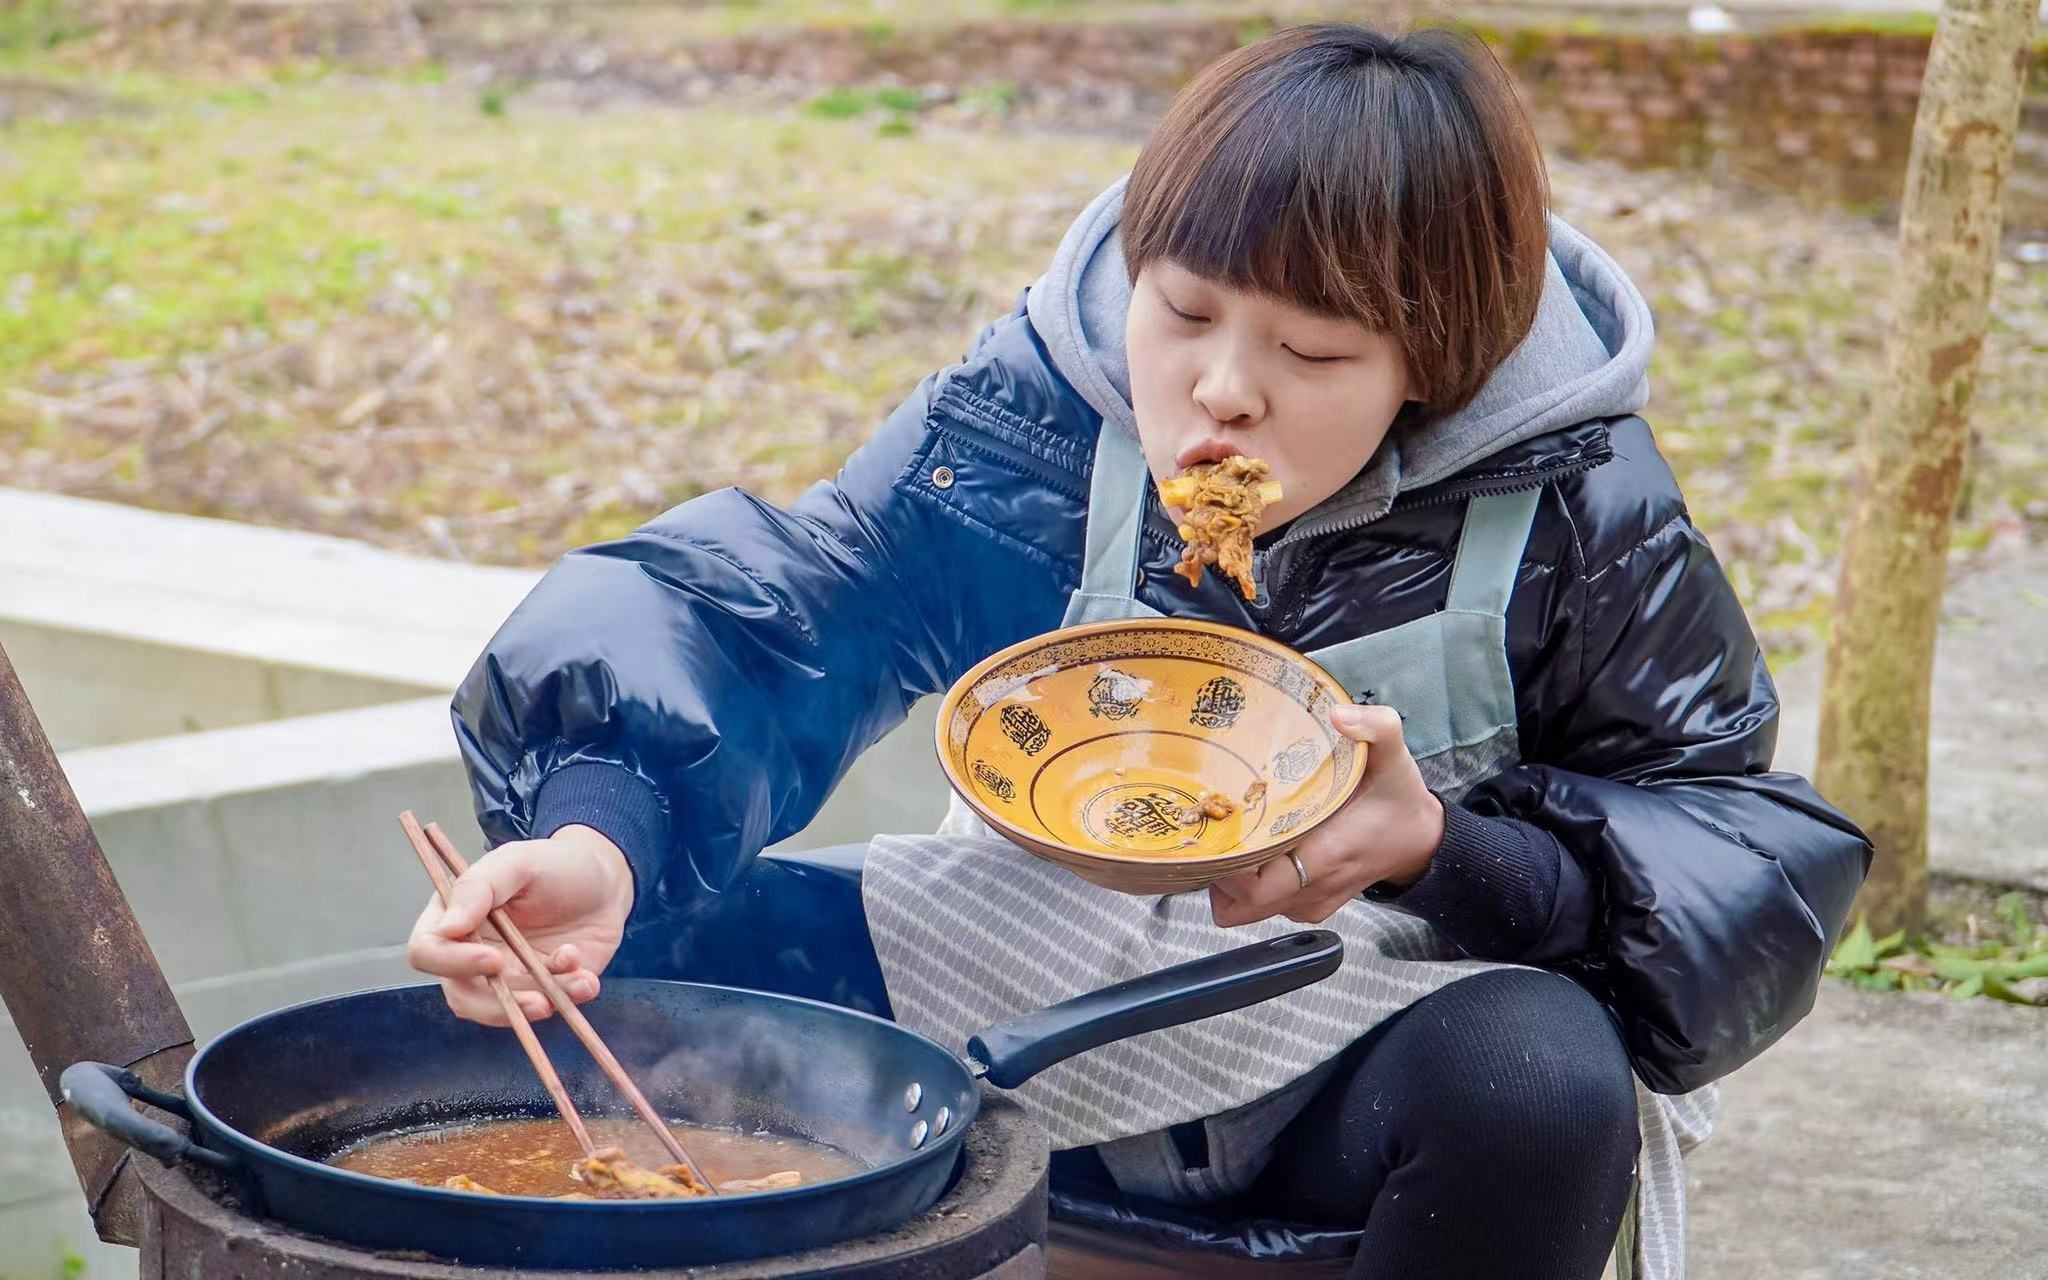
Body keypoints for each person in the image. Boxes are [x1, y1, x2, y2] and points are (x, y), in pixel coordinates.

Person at [408, 23, 1870, 1280]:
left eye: (1312, 356)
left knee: (1544, 1081)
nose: (1220, 394)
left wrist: (1440, 849)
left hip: (1364, 1040)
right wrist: (603, 837)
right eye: (1185, 313)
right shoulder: (1044, 414)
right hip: (1015, 989)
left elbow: (1729, 850)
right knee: (638, 950)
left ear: (1435, 363)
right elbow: (800, 606)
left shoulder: (1572, 499)